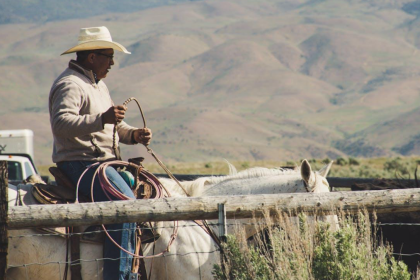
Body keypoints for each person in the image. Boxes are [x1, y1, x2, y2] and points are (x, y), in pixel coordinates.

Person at [48, 26, 151, 280]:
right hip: (79, 162)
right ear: (92, 57)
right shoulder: (70, 84)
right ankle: (119, 276)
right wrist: (101, 118)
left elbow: (112, 126)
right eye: (108, 55)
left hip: (101, 162)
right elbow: (61, 124)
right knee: (124, 204)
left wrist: (134, 134)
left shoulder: (98, 86)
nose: (112, 62)